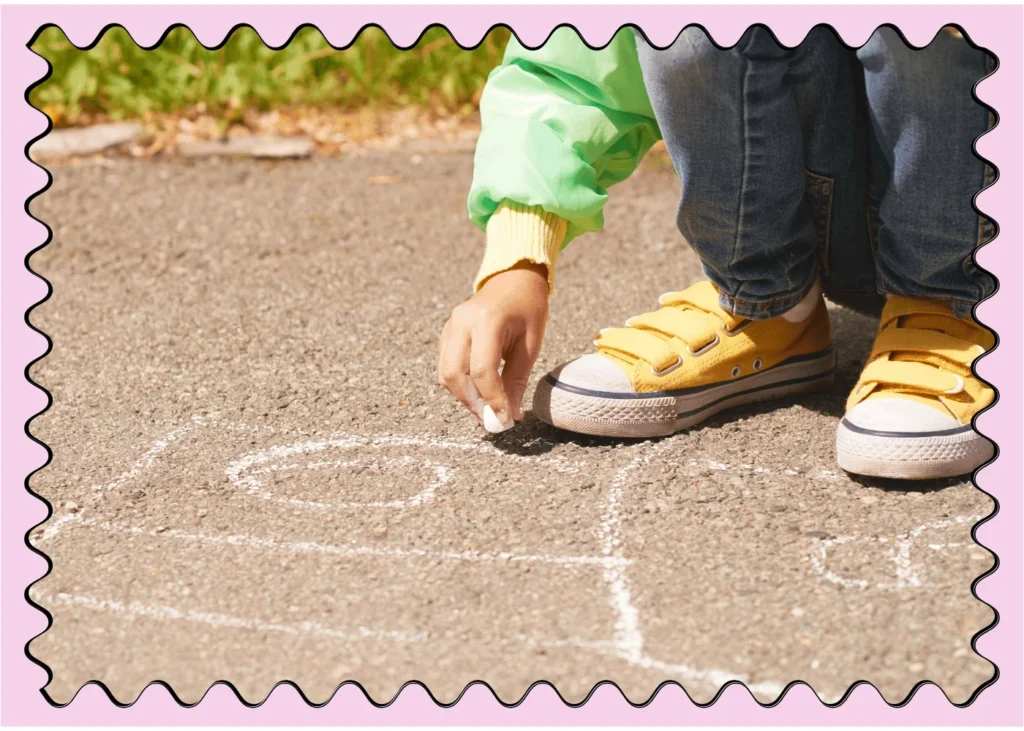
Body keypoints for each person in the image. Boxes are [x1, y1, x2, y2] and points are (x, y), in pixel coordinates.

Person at [438, 26, 994, 480]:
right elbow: (574, 64)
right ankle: (771, 304)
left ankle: (947, 303)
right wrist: (517, 262)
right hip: (830, 219)